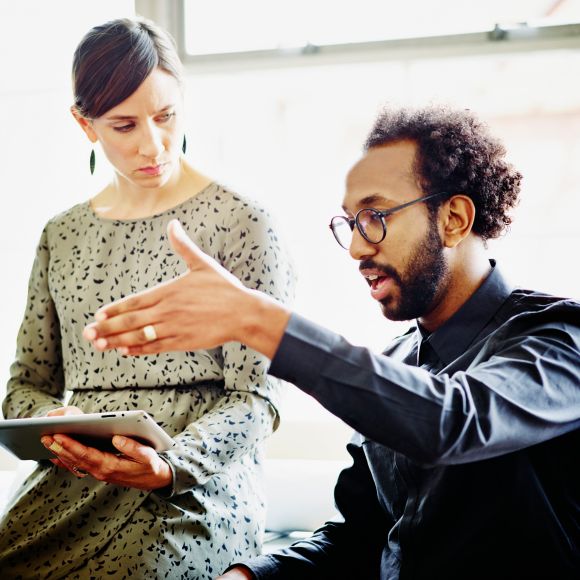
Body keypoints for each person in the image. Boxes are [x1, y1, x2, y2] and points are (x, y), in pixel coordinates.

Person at [84, 105, 580, 580]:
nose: (359, 248)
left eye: (376, 217)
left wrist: (259, 320)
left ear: (453, 219)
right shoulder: (397, 361)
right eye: (350, 224)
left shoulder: (558, 338)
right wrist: (249, 576)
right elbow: (363, 538)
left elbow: (450, 421)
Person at [0, 17, 294, 579]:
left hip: (194, 483)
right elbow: (23, 386)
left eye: (166, 116)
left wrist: (169, 466)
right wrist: (55, 423)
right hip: (75, 477)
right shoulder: (59, 235)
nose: (153, 144)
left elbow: (258, 399)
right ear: (85, 125)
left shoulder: (243, 223)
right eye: (124, 125)